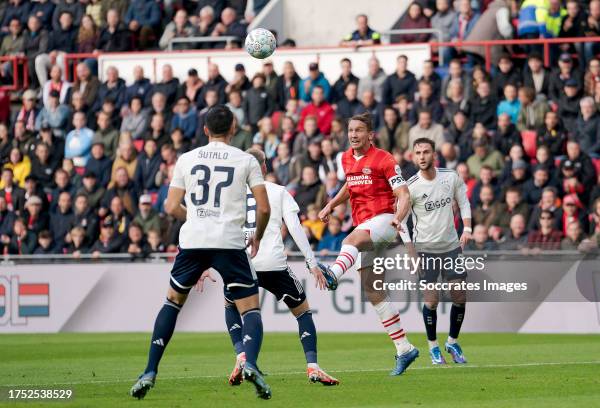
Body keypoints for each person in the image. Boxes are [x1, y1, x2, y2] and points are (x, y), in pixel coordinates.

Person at [130, 105, 272, 400]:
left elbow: (169, 207)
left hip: (193, 240)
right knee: (250, 309)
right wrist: (257, 237)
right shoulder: (246, 160)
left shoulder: (186, 159)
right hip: (230, 242)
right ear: (233, 128)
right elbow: (264, 208)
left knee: (172, 304)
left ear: (205, 129)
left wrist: (197, 218)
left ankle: (149, 371)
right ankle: (252, 364)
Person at [211, 148, 339, 386]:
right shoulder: (279, 192)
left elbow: (215, 229)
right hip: (272, 263)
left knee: (231, 306)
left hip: (241, 263)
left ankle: (241, 354)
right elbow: (295, 228)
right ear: (263, 167)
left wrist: (206, 263)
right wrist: (312, 263)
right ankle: (312, 366)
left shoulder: (230, 193)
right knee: (302, 312)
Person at [317, 113, 419, 376]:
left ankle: (333, 273)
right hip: (365, 225)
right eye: (351, 130)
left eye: (359, 130)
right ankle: (404, 348)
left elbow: (403, 193)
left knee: (351, 239)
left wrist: (398, 217)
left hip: (385, 220)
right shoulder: (346, 158)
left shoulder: (384, 159)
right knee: (374, 291)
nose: (353, 135)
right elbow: (350, 186)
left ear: (370, 135)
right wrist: (331, 203)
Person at [401, 137, 472, 364]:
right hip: (425, 250)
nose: (422, 156)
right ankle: (433, 347)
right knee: (432, 301)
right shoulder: (410, 186)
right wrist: (412, 254)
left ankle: (452, 341)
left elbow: (464, 201)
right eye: (418, 153)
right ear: (413, 157)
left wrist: (468, 228)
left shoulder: (450, 177)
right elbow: (400, 222)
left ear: (434, 155)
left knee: (460, 296)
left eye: (426, 152)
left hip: (451, 246)